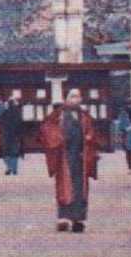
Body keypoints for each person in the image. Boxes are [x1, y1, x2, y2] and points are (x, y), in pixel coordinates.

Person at [40, 89, 101, 232]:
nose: (76, 99)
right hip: (64, 157)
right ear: (66, 98)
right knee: (64, 188)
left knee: (80, 189)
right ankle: (63, 218)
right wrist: (57, 139)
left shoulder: (84, 116)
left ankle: (78, 220)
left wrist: (88, 140)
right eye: (72, 96)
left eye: (78, 96)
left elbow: (92, 132)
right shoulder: (58, 115)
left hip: (81, 157)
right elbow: (46, 130)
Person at [0, 94, 25, 175]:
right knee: (14, 153)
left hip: (6, 135)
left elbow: (0, 122)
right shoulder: (18, 113)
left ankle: (9, 167)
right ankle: (14, 168)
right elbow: (20, 124)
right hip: (15, 135)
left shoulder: (5, 113)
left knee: (7, 152)